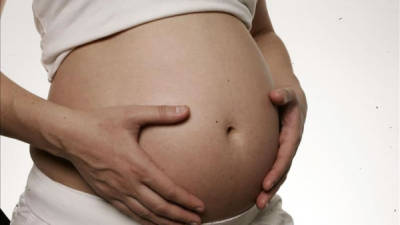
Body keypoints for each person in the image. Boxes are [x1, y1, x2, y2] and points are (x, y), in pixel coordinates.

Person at [1, 0, 308, 224]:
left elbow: (262, 33)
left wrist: (289, 85)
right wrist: (73, 139)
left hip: (256, 214)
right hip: (92, 213)